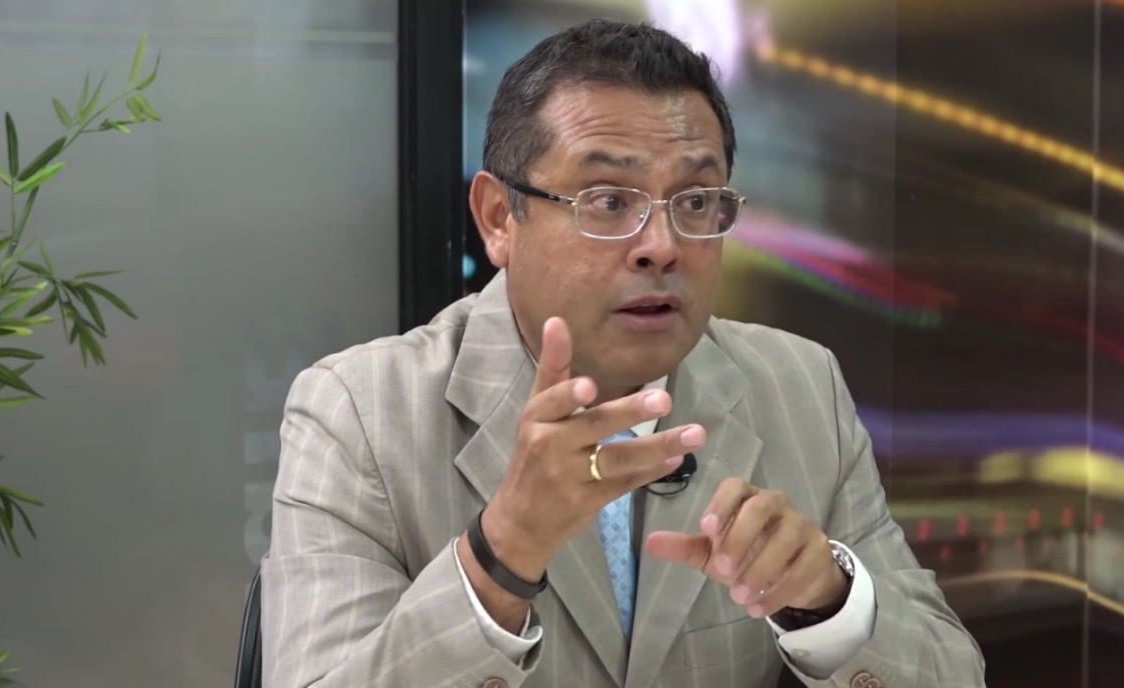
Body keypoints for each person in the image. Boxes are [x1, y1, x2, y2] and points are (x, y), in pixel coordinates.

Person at [261, 18, 985, 688]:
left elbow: (954, 673)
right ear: (498, 218)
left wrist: (825, 602)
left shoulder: (800, 388)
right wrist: (500, 555)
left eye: (694, 202)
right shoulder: (358, 415)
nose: (661, 247)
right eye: (609, 201)